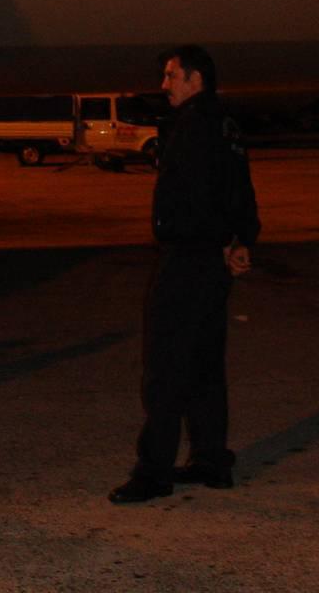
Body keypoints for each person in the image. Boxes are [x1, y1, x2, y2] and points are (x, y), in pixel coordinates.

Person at [109, 45, 259, 504]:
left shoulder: (192, 125)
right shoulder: (226, 124)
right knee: (205, 365)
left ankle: (154, 472)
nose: (165, 84)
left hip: (189, 258)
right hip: (213, 260)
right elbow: (239, 191)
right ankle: (212, 461)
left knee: (165, 367)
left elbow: (194, 198)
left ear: (195, 79)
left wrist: (208, 240)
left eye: (172, 75)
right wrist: (240, 241)